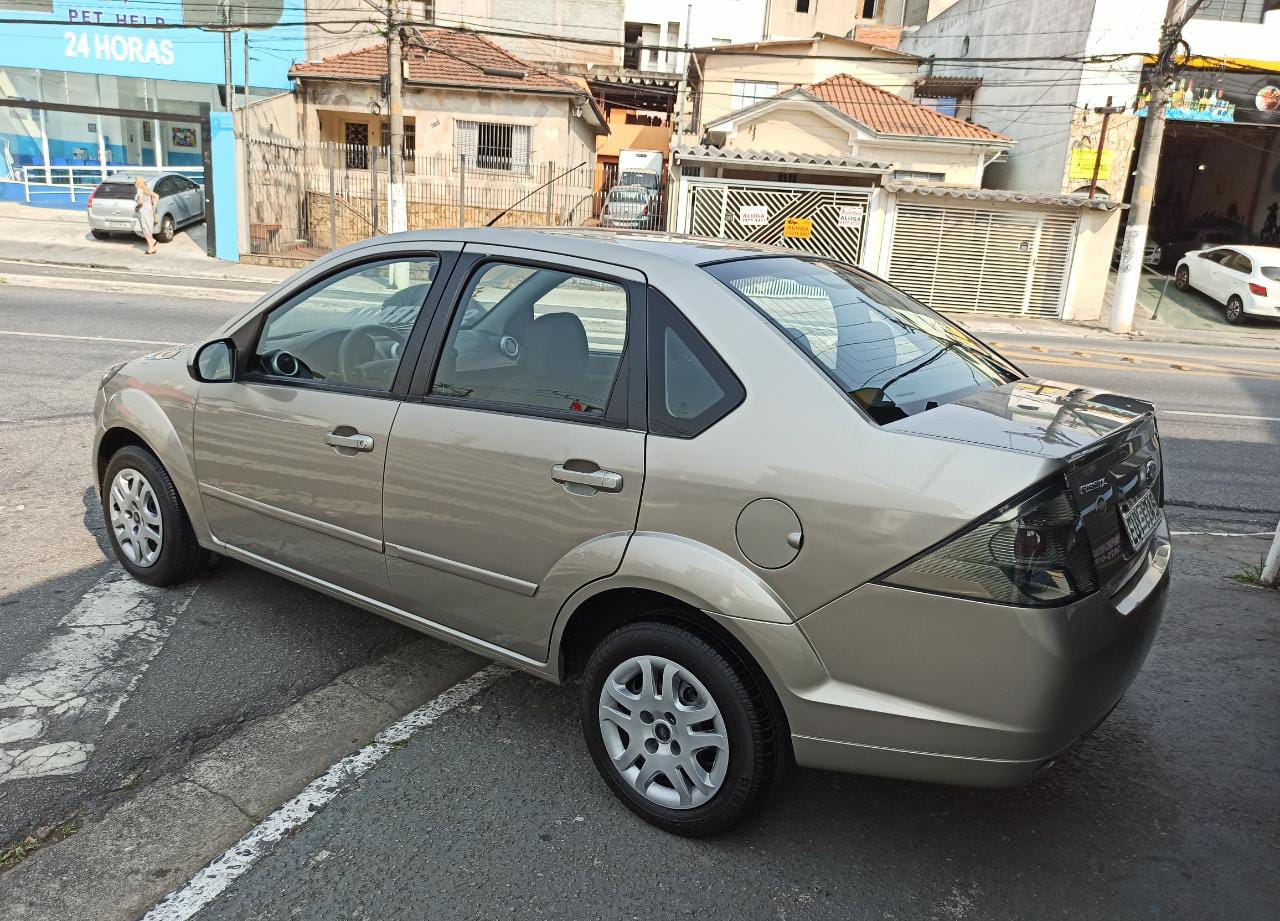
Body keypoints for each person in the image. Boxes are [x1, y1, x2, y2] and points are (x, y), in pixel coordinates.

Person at [134, 175, 159, 255]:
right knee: (146, 228)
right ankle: (152, 242)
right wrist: (153, 205)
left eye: (135, 182)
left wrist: (136, 207)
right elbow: (157, 196)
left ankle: (151, 248)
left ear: (138, 183)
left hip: (144, 211)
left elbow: (140, 202)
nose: (134, 183)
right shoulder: (147, 189)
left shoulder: (139, 189)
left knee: (145, 229)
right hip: (149, 211)